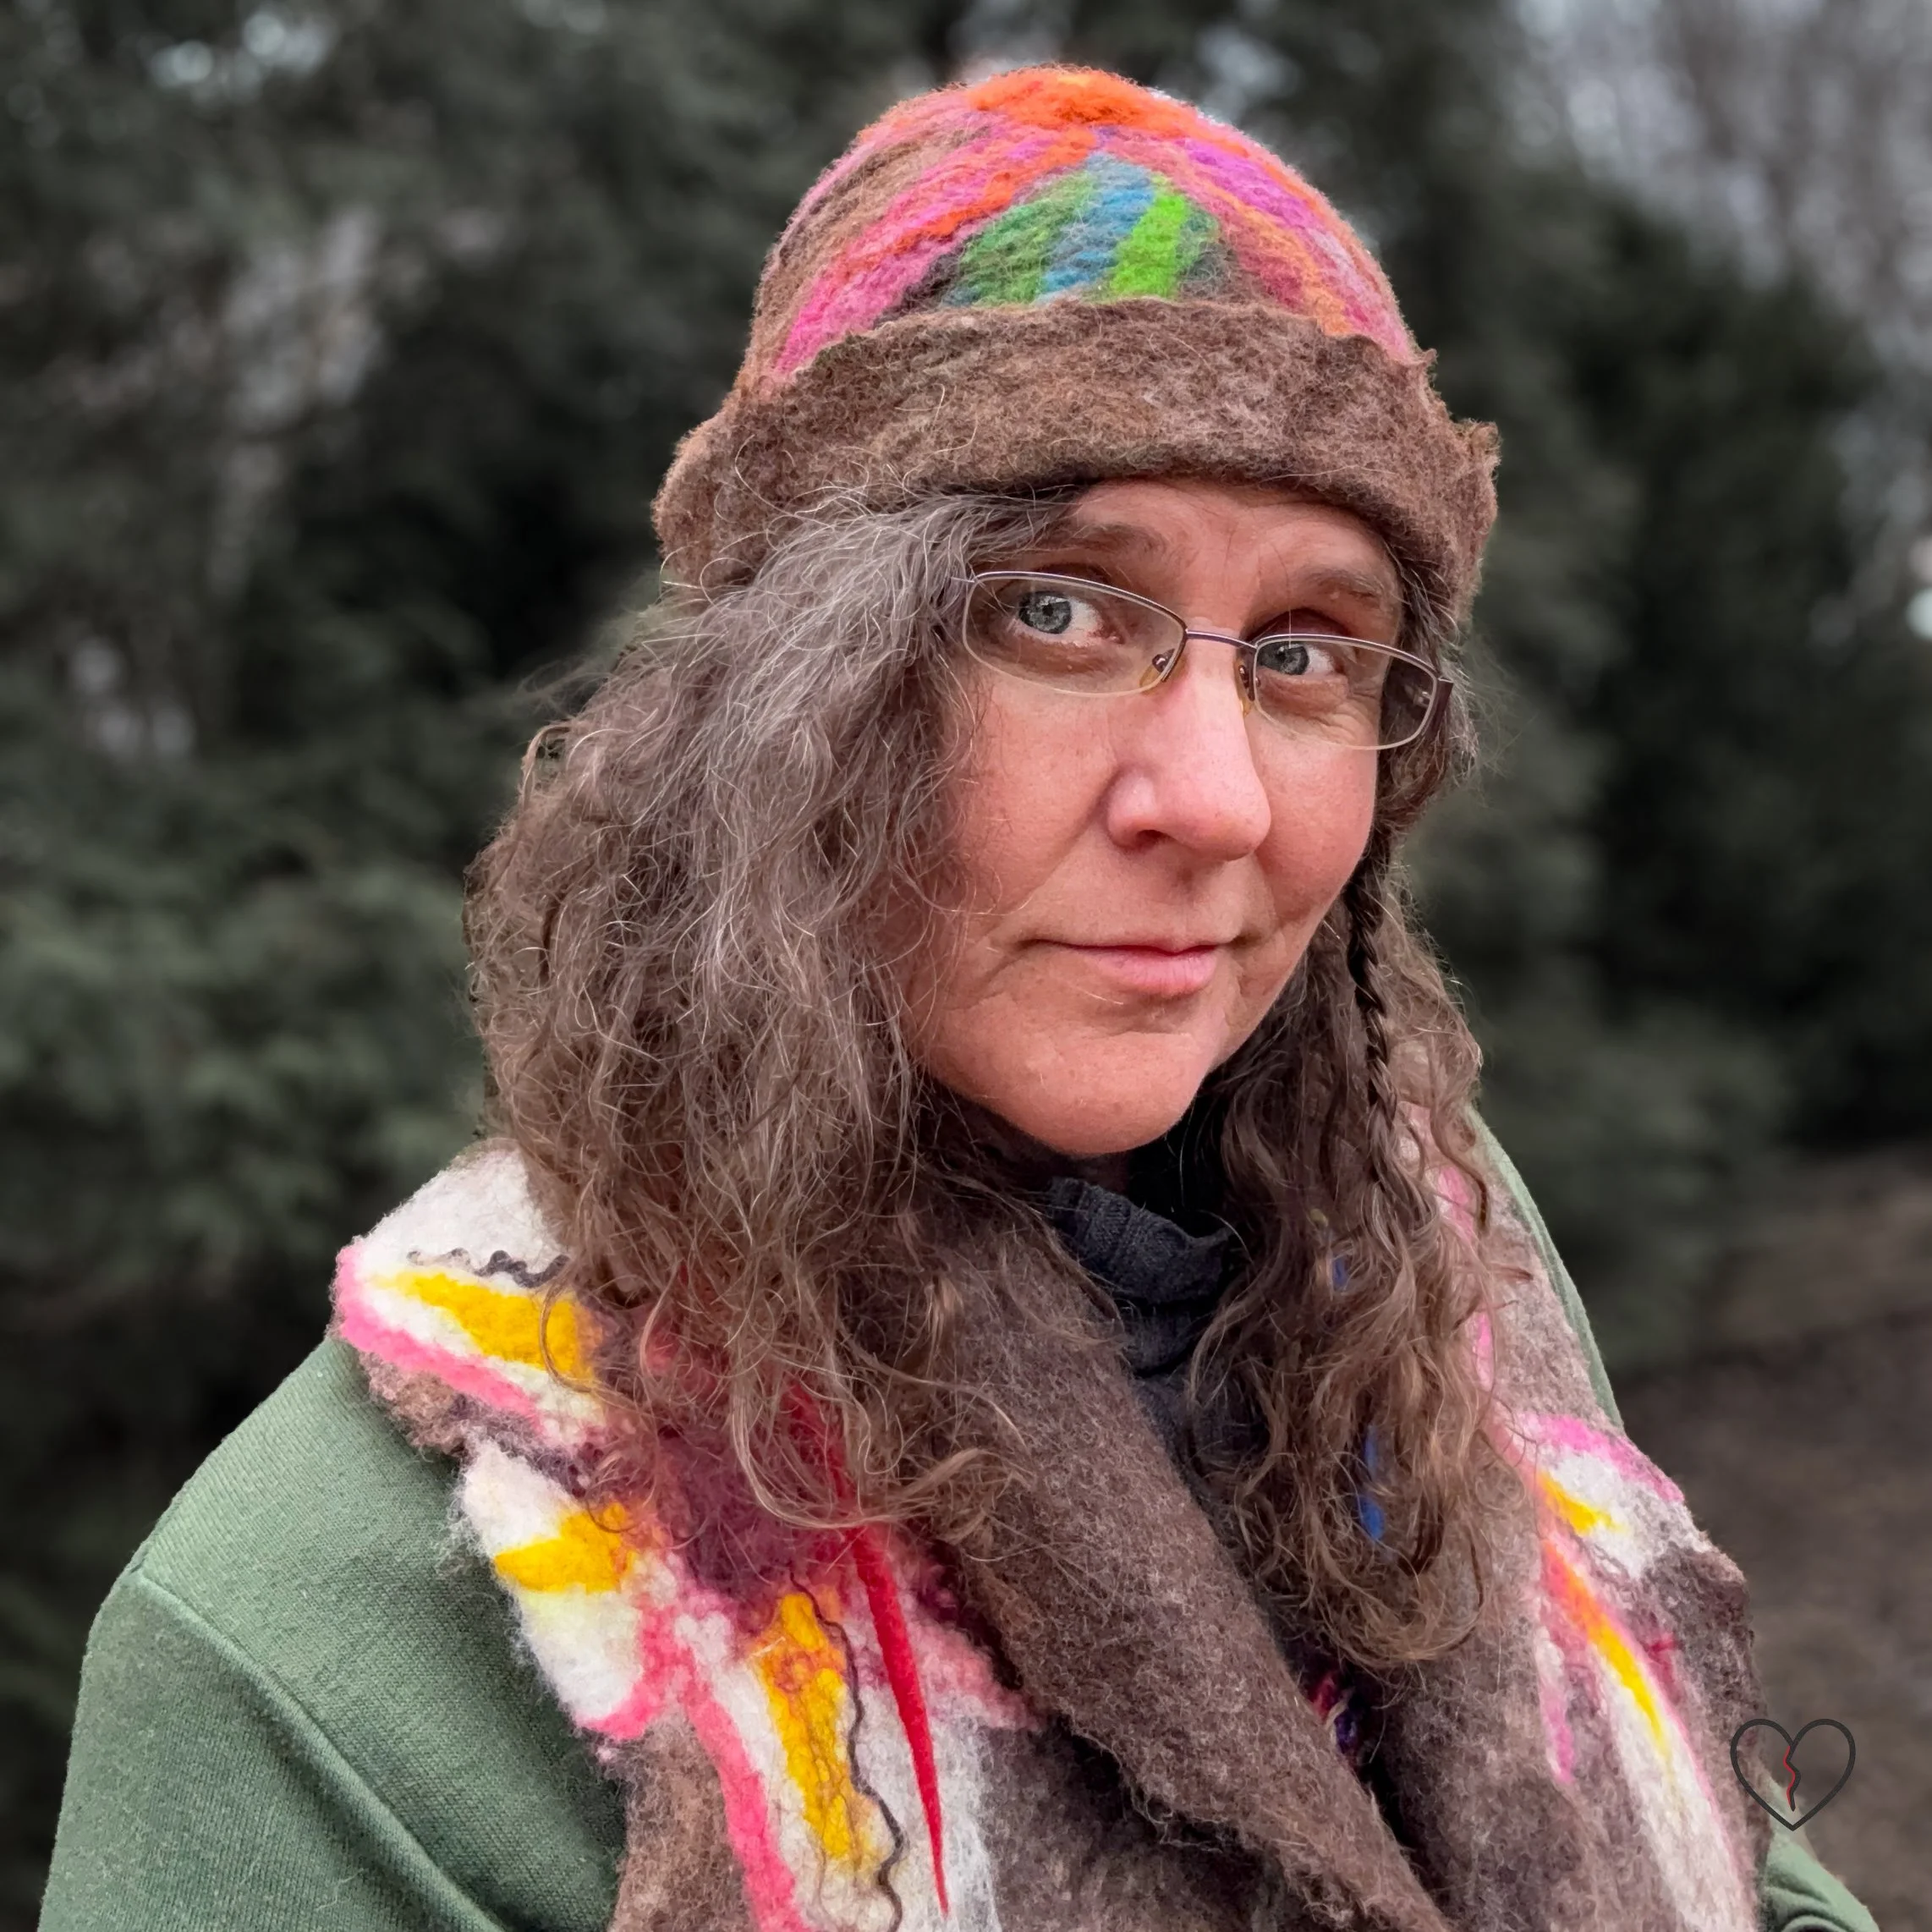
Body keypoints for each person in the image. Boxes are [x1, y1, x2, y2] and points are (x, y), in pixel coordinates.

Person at [41, 65, 1876, 1932]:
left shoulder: (1428, 1241)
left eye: (1310, 649)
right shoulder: (330, 1637)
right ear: (781, 712)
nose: (1219, 798)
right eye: (1058, 613)